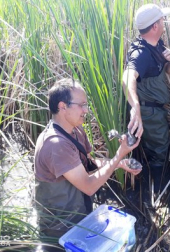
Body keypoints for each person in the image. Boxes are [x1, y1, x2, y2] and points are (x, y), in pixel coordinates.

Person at [34, 78, 141, 241]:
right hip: (61, 228)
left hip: (79, 216)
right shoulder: (55, 144)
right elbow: (89, 186)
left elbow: (89, 165)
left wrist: (119, 164)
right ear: (63, 106)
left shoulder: (75, 130)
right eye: (82, 105)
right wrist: (120, 153)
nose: (87, 110)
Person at [122, 4, 170, 187]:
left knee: (158, 149)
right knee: (160, 152)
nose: (164, 22)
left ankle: (152, 183)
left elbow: (169, 72)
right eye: (162, 20)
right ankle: (157, 187)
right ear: (155, 26)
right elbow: (127, 78)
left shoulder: (155, 45)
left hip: (156, 110)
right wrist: (136, 108)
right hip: (150, 113)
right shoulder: (141, 54)